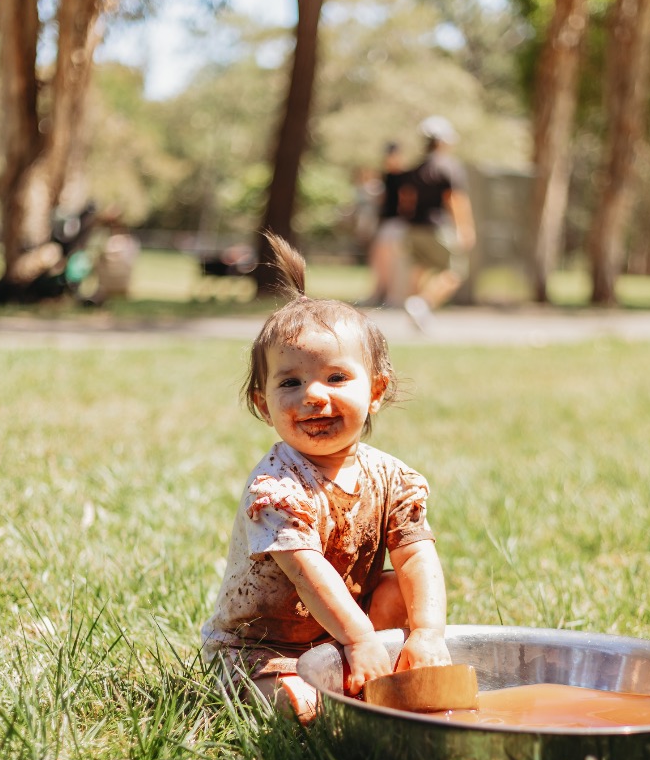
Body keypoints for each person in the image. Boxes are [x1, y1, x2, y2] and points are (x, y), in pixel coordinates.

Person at [201, 233, 452, 724]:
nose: (314, 396)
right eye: (290, 382)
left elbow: (417, 555)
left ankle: (377, 672)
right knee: (307, 711)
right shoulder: (277, 488)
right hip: (259, 650)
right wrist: (358, 639)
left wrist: (426, 635)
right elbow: (306, 571)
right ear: (262, 403)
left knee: (399, 587)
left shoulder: (392, 477)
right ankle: (344, 685)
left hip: (338, 636)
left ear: (376, 391)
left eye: (336, 378)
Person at [400, 116, 476, 328]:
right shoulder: (448, 167)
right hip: (437, 228)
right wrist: (465, 228)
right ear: (442, 141)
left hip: (413, 228)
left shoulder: (414, 170)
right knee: (455, 272)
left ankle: (416, 313)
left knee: (420, 267)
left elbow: (405, 202)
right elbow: (455, 200)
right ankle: (421, 304)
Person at [362, 142, 410, 308]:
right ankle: (378, 294)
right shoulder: (387, 176)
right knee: (380, 260)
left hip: (398, 224)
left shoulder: (404, 177)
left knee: (395, 261)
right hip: (387, 223)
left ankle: (394, 298)